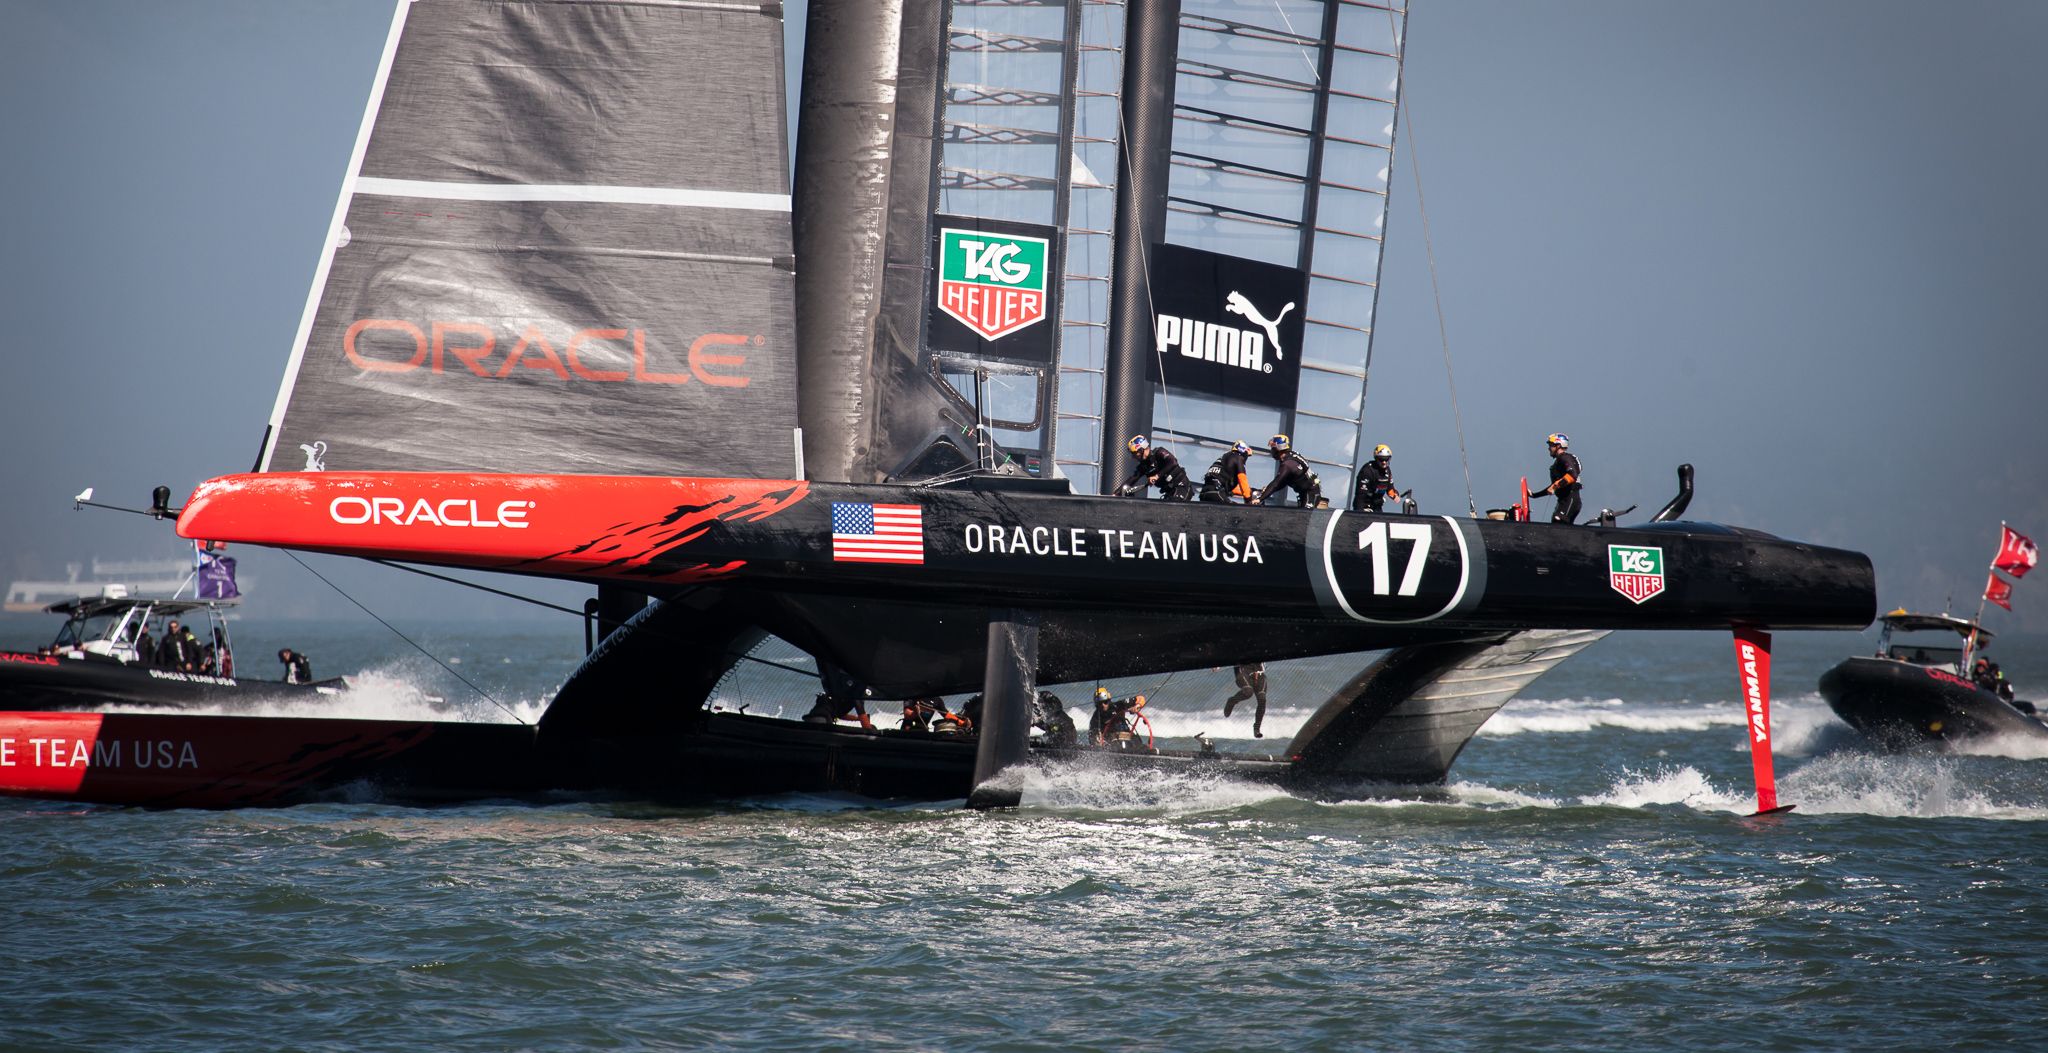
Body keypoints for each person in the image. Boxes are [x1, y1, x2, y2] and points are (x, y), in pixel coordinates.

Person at [1252, 434, 1323, 508]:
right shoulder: (1290, 456)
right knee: (1300, 516)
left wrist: (1260, 499)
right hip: (1307, 493)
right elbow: (1282, 482)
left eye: (1272, 448)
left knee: (1304, 517)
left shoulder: (1287, 464)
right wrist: (1267, 491)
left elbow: (1276, 483)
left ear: (1277, 449)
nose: (1271, 451)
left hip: (1310, 494)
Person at [1528, 432, 1583, 524]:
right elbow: (1553, 486)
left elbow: (1572, 475)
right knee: (1556, 522)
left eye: (1551, 445)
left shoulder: (1565, 458)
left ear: (1558, 446)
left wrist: (1554, 486)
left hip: (1570, 499)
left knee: (1559, 522)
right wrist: (1534, 495)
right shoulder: (1559, 461)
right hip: (1564, 501)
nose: (1549, 448)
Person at [1116, 435, 1193, 500]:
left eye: (1134, 453)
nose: (1133, 457)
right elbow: (1132, 479)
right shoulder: (1144, 466)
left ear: (1141, 450)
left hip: (1183, 487)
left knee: (1172, 509)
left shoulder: (1159, 453)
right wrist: (1115, 495)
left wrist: (1157, 476)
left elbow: (1173, 462)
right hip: (1170, 492)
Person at [1222, 662, 1270, 738]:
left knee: (1262, 700)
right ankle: (1231, 701)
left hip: (1259, 672)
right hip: (1243, 670)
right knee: (1248, 692)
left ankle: (1256, 729)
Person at [1354, 444, 1398, 513]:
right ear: (1376, 459)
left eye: (1386, 459)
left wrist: (1394, 496)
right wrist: (1359, 512)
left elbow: (1390, 489)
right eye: (1381, 459)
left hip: (1377, 507)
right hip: (1365, 507)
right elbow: (1361, 495)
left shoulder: (1387, 470)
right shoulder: (1367, 471)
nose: (1384, 462)